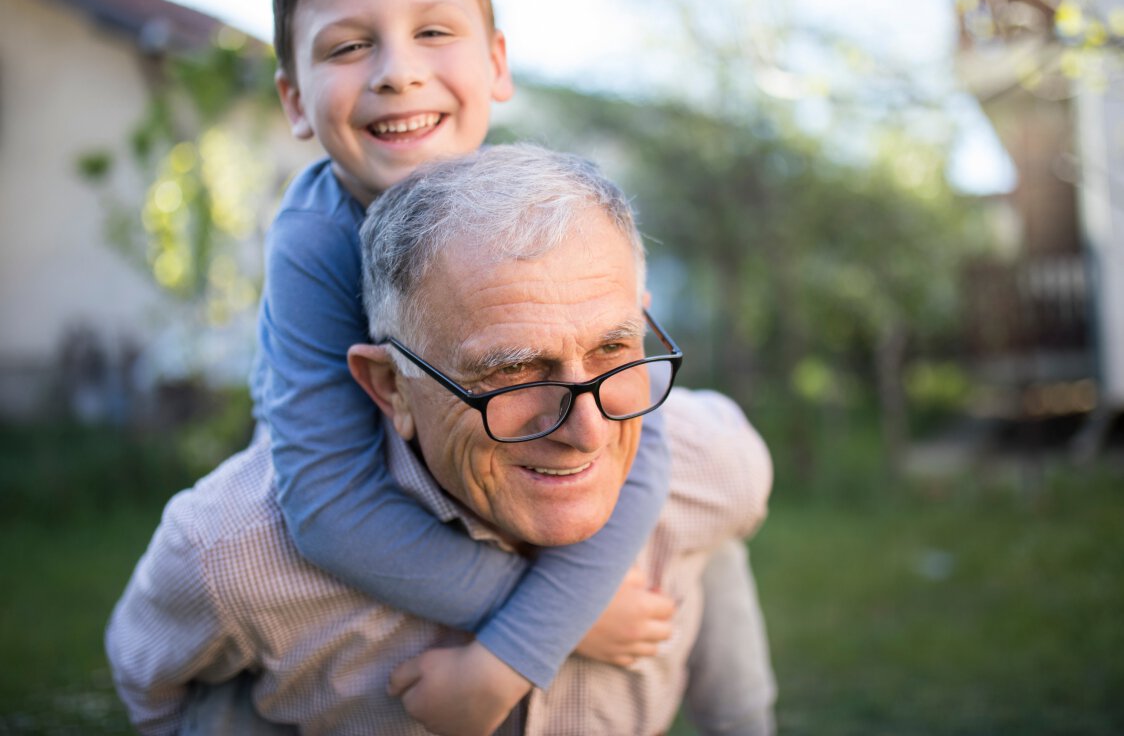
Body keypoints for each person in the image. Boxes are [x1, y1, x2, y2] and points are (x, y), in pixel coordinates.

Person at [237, 0, 771, 732]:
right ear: (294, 101)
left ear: (495, 64)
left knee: (706, 515)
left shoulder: (544, 207)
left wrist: (520, 642)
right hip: (404, 489)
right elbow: (329, 505)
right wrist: (544, 628)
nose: (398, 72)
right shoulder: (315, 240)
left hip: (537, 456)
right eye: (348, 47)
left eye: (433, 32)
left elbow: (644, 442)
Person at [106, 144, 775, 735]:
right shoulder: (233, 555)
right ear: (391, 388)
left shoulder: (712, 464)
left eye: (612, 346)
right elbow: (153, 685)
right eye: (513, 371)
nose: (586, 432)